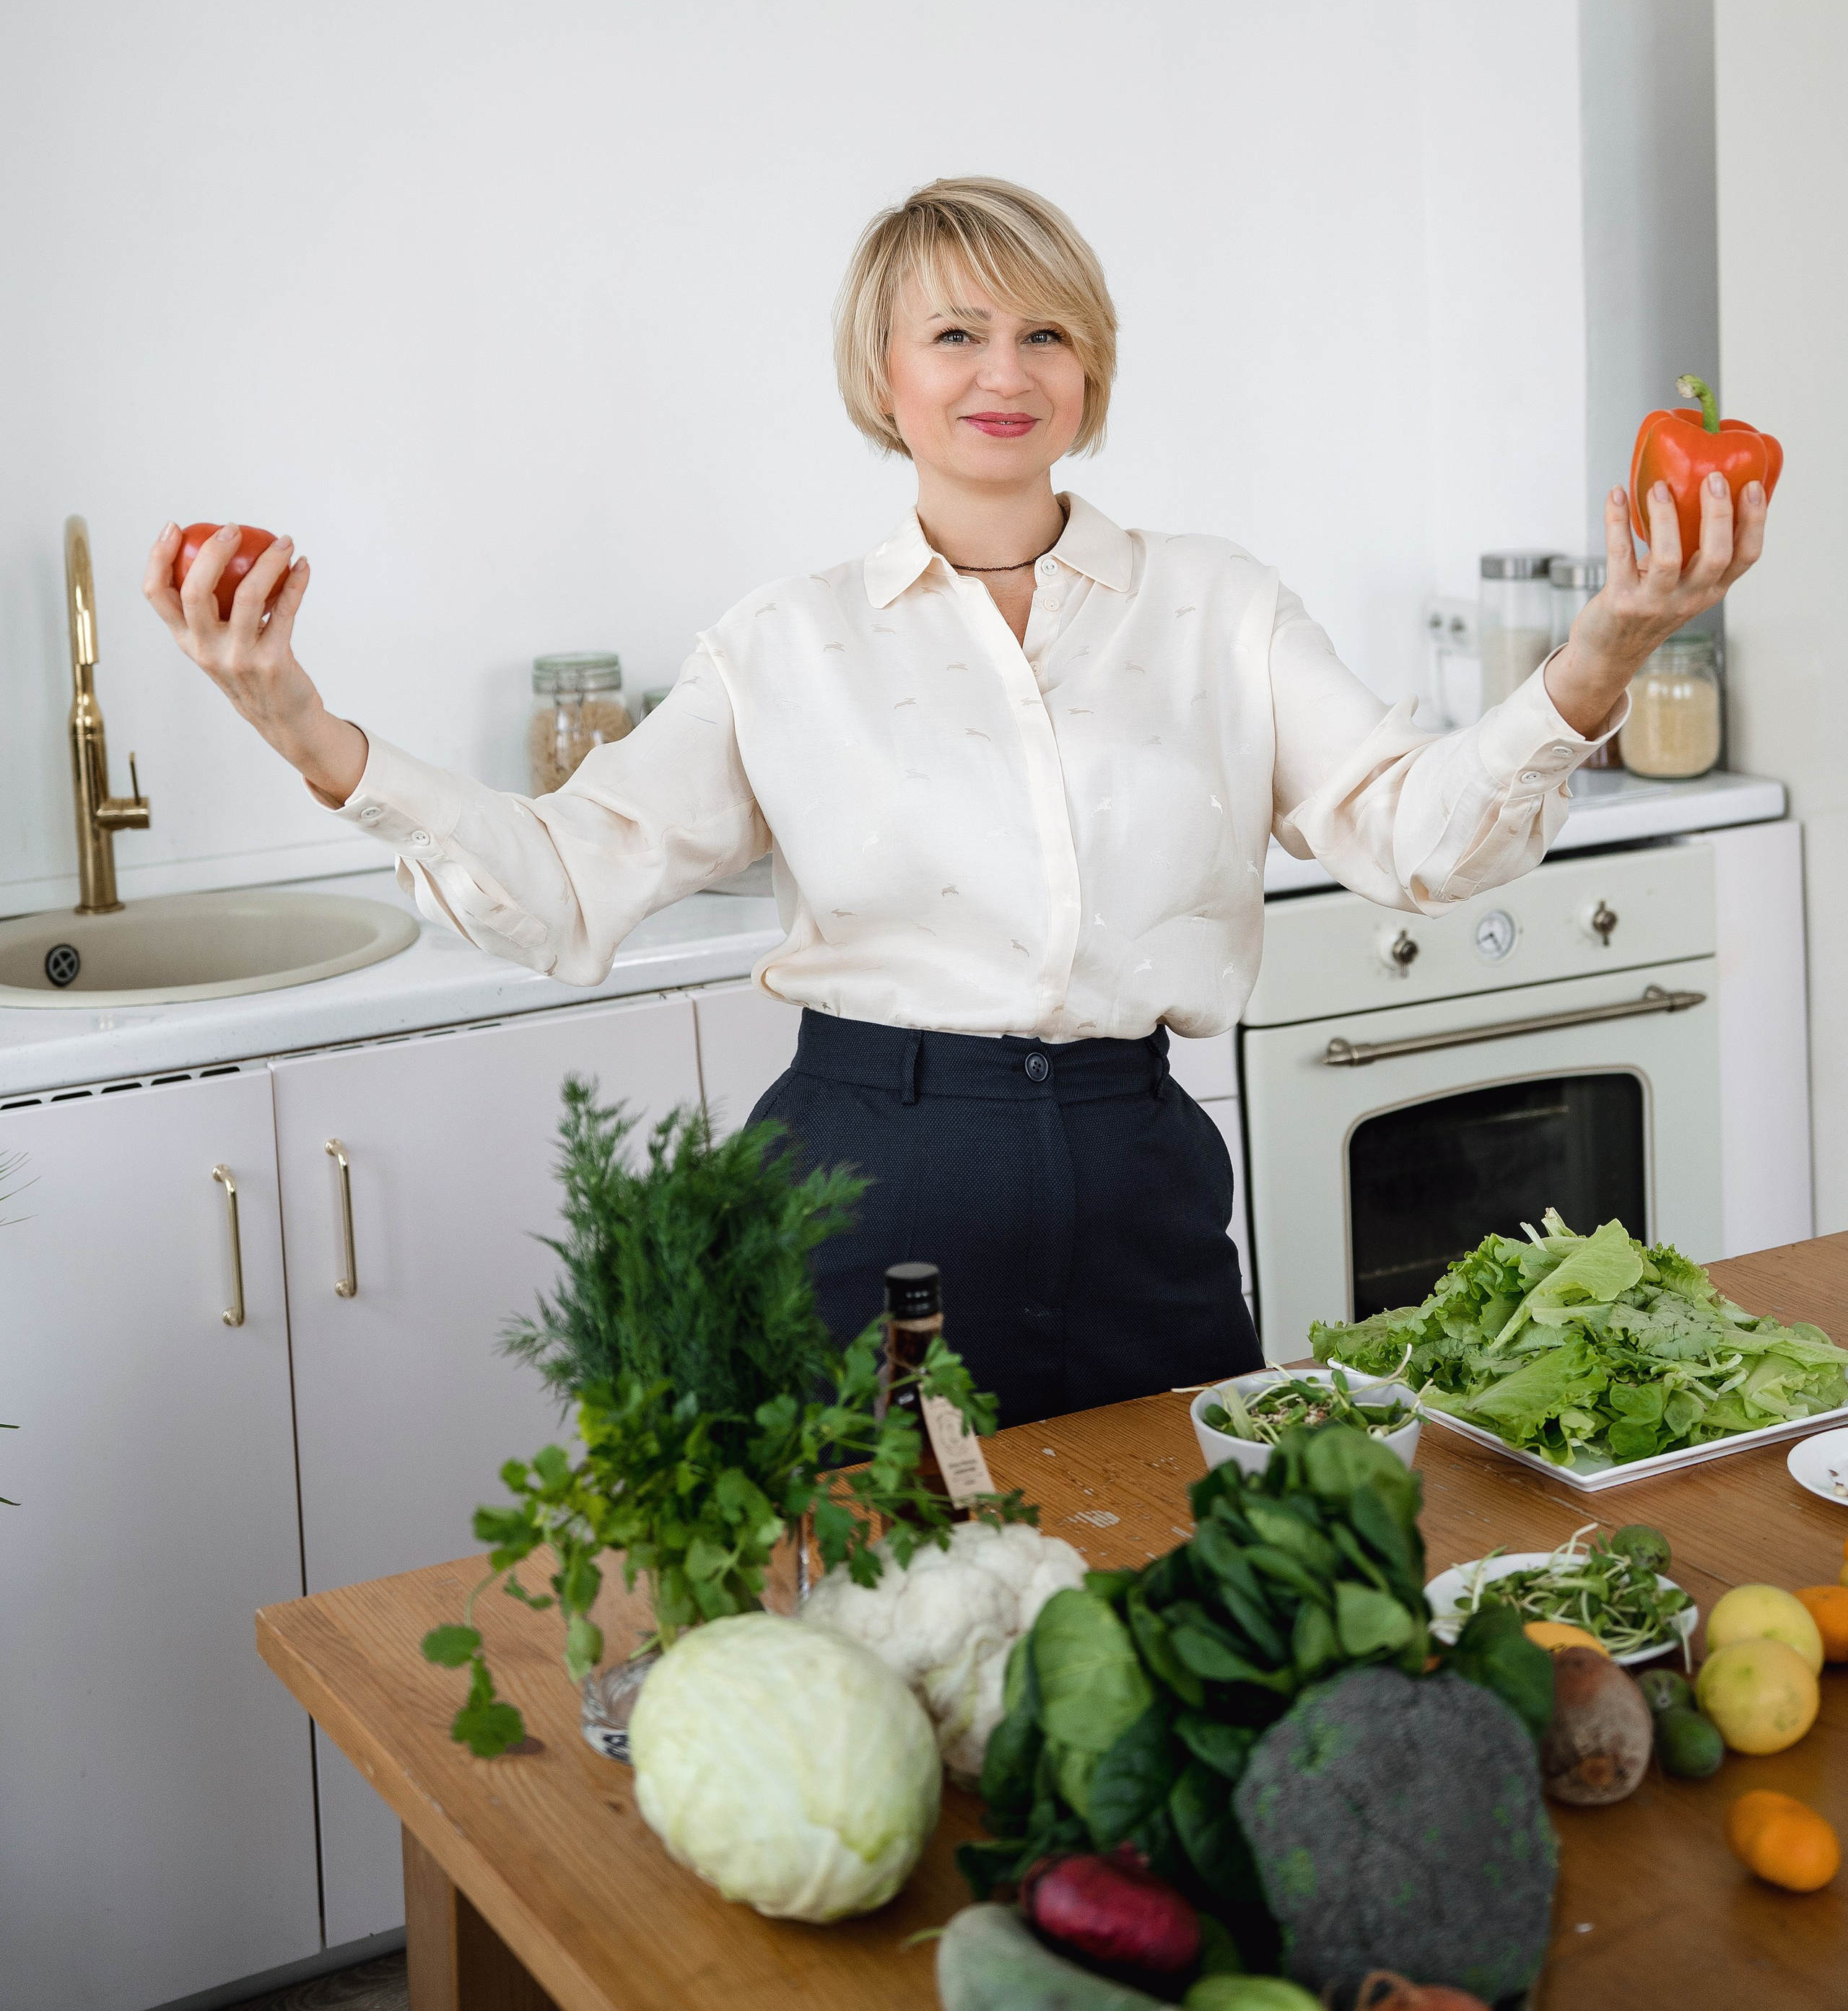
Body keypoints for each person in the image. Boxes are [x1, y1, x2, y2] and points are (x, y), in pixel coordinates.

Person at [144, 178, 1766, 1425]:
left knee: (1182, 1590)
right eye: (955, 334)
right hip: (868, 1178)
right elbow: (569, 882)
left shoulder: (1217, 606)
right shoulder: (786, 643)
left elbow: (1417, 837)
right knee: (886, 1625)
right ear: (882, 373)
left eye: (1044, 334)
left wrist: (1605, 644)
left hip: (1139, 1170)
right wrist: (299, 719)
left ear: (1090, 370)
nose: (1005, 371)